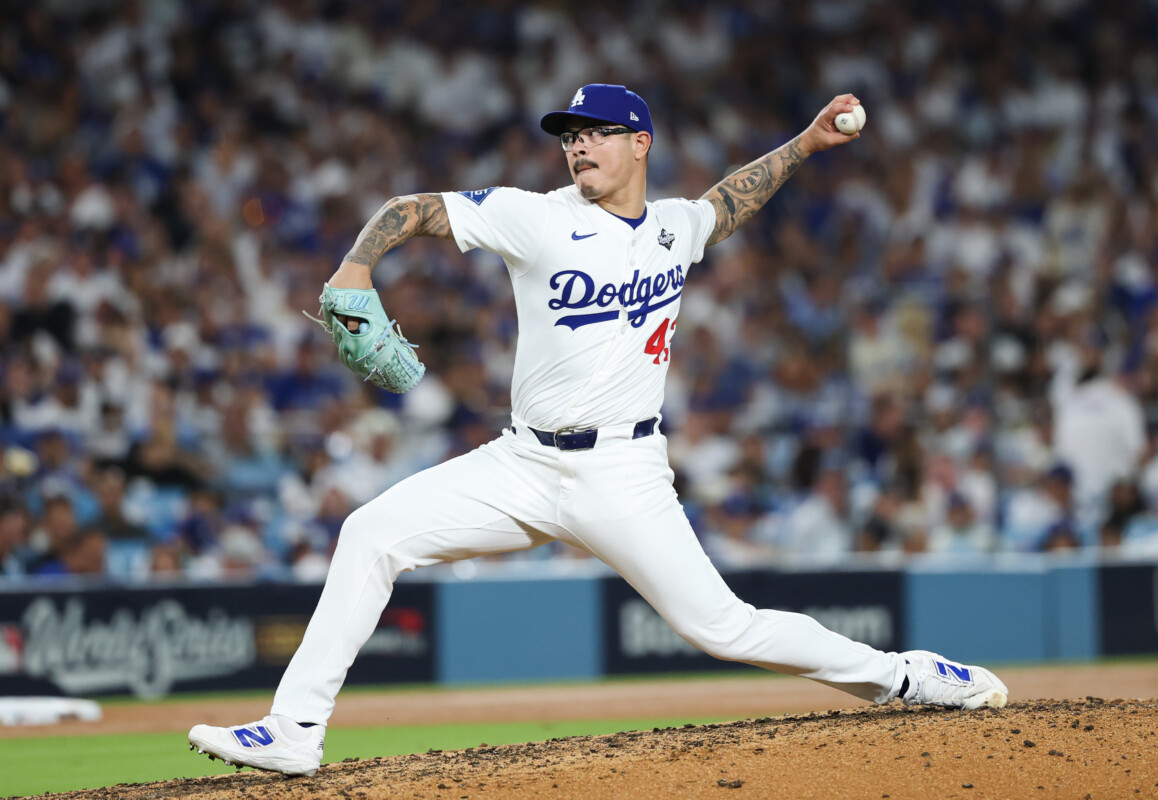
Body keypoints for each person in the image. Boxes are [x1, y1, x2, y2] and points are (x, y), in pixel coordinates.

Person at [188, 84, 1008, 777]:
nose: (578, 146)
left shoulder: (676, 227)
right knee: (370, 533)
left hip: (623, 471)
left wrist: (807, 143)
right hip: (522, 463)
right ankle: (295, 730)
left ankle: (906, 677)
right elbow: (415, 208)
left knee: (723, 628)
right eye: (570, 136)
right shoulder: (535, 218)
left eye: (597, 133)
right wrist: (357, 264)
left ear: (640, 144)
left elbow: (730, 201)